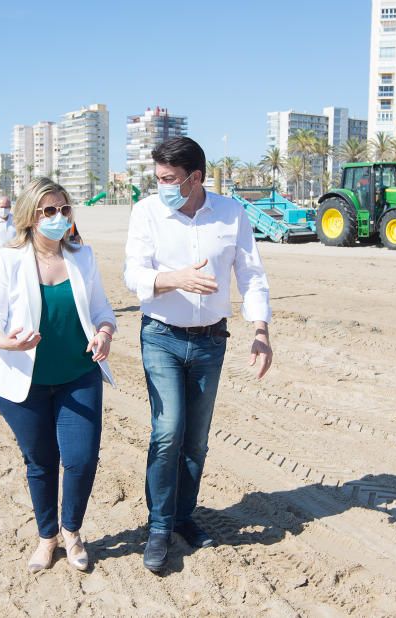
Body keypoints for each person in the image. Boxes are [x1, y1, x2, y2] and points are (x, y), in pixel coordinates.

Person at [124, 136, 273, 573]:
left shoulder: (231, 213)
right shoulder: (147, 212)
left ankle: (184, 516)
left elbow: (251, 274)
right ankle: (158, 526)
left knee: (196, 441)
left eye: (169, 179)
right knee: (168, 431)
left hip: (211, 341)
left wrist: (260, 331)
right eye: (157, 178)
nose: (161, 186)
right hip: (161, 337)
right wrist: (176, 279)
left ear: (196, 178)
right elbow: (134, 273)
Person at [0, 177, 117, 574]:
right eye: (49, 211)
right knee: (40, 462)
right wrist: (5, 342)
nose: (59, 217)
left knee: (81, 459)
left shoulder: (82, 256)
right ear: (30, 216)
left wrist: (105, 333)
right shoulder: (8, 260)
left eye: (64, 209)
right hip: (23, 382)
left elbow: (104, 312)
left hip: (78, 375)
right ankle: (47, 538)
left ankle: (71, 531)